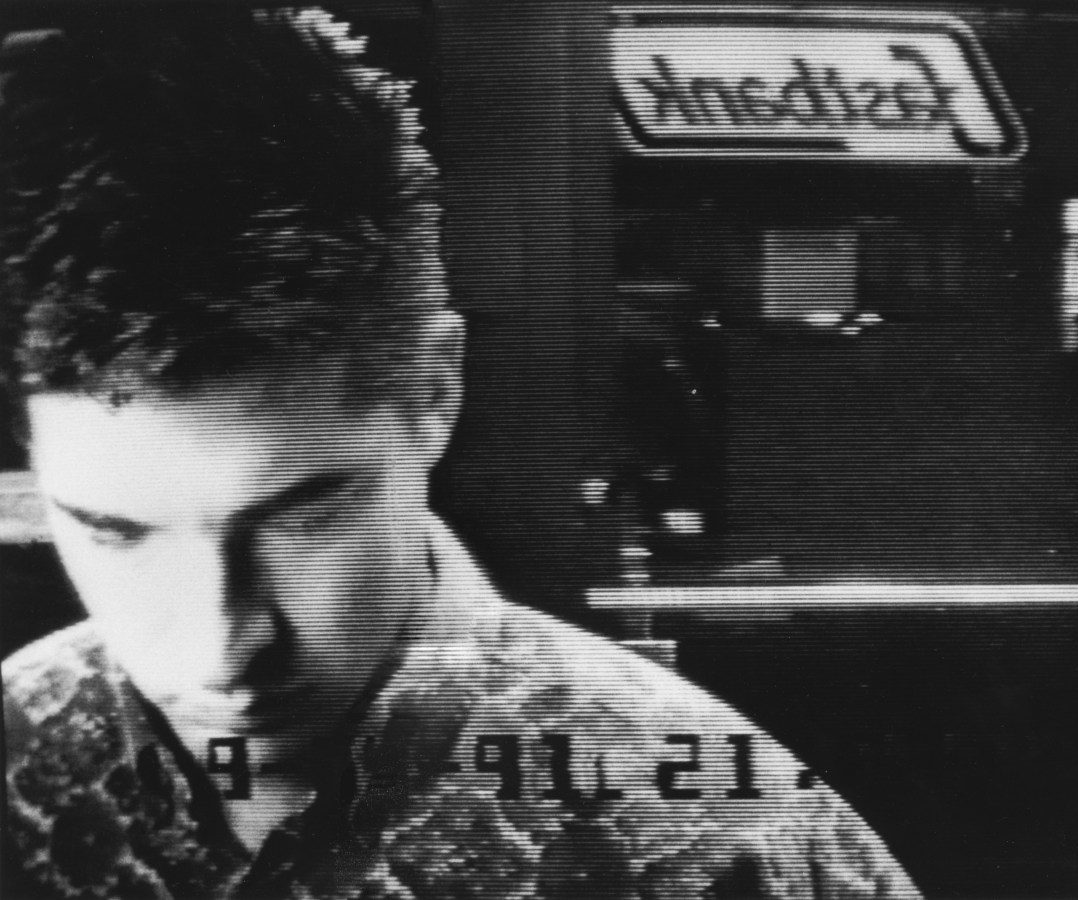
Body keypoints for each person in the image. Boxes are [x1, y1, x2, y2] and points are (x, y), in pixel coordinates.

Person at [0, 8, 919, 898]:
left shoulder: (727, 845)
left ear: (434, 395)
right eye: (114, 532)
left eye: (304, 516)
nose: (219, 651)